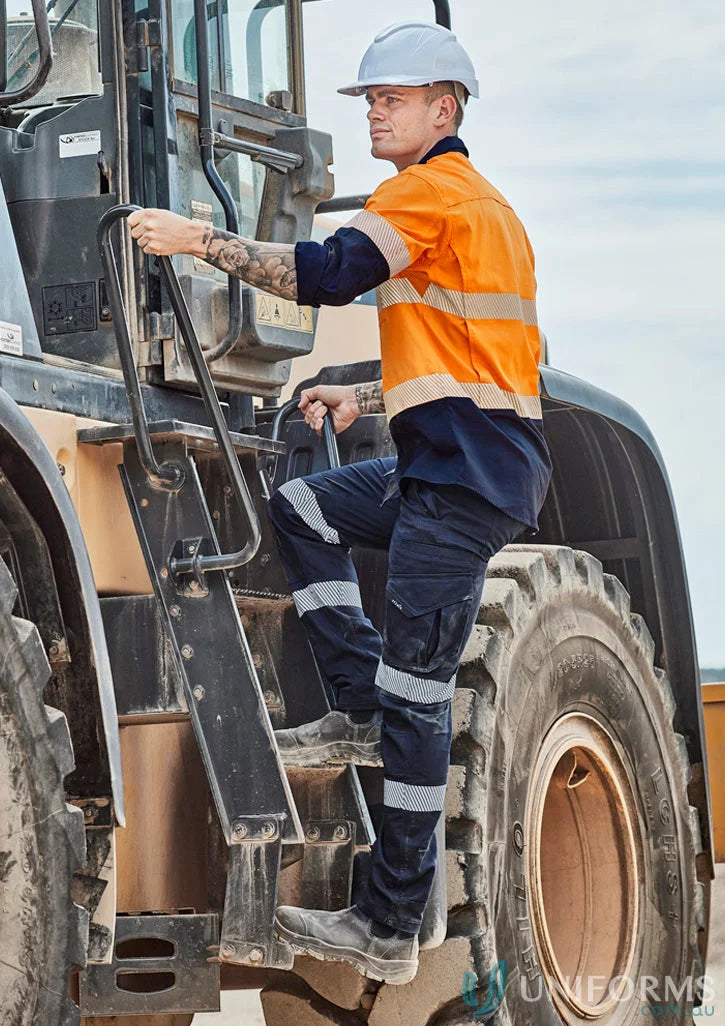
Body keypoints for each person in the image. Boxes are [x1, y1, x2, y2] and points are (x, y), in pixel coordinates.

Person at [128, 21, 552, 986]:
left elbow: (323, 276)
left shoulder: (429, 194)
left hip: (459, 486)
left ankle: (391, 927)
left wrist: (198, 238)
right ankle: (354, 706)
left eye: (390, 100)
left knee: (420, 705)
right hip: (452, 463)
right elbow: (481, 360)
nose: (373, 113)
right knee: (307, 508)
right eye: (368, 100)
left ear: (443, 109)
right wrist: (362, 397)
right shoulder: (486, 210)